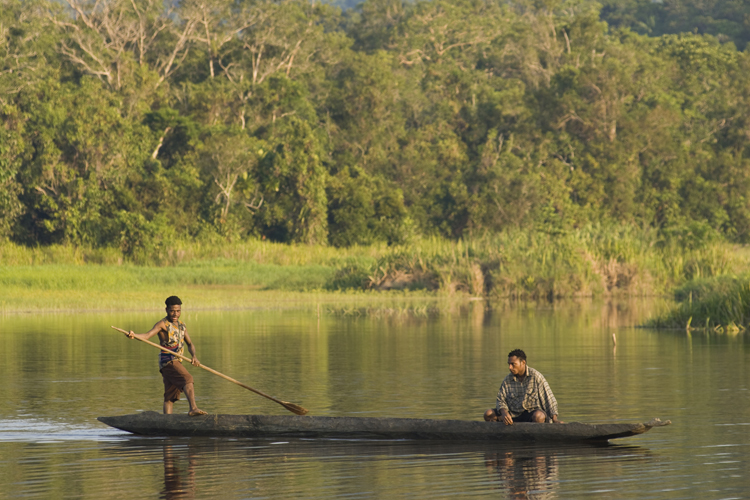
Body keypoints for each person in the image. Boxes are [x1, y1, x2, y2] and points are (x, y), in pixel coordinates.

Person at [123, 295, 207, 416]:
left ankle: (167, 420)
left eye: (178, 311)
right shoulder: (162, 324)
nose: (175, 314)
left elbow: (190, 344)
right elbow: (147, 336)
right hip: (169, 361)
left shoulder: (182, 325)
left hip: (177, 361)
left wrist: (194, 356)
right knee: (188, 379)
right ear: (166, 310)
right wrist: (134, 335)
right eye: (172, 311)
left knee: (170, 396)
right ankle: (193, 408)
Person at [484, 349, 560, 425]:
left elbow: (549, 399)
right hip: (513, 415)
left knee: (539, 416)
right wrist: (504, 413)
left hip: (530, 414)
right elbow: (500, 400)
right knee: (488, 414)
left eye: (513, 364)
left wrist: (555, 419)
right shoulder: (507, 380)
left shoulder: (535, 376)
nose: (510, 367)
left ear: (523, 363)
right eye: (509, 364)